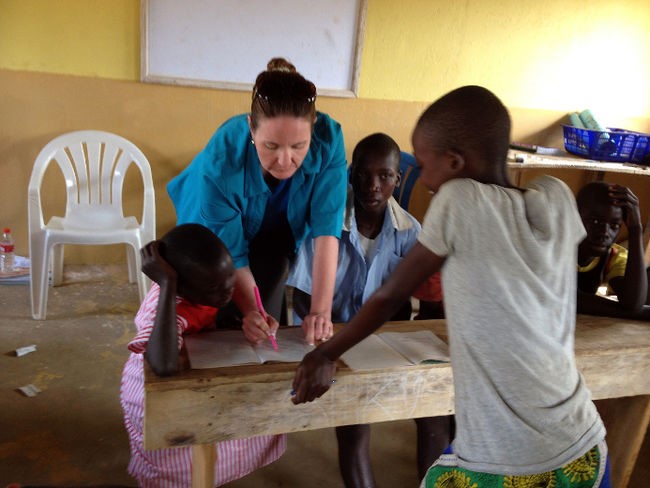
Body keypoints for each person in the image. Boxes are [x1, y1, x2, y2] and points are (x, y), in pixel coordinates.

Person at [291, 86, 611, 487]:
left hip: (507, 461)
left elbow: (390, 296)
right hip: (584, 446)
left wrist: (325, 354)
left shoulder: (459, 199)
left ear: (455, 162)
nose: (422, 180)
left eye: (424, 165)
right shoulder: (557, 194)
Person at [287, 133, 451, 487]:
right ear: (351, 175)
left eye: (385, 175)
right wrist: (323, 331)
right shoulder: (326, 226)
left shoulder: (410, 231)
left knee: (434, 414)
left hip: (382, 339)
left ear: (398, 179)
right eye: (363, 175)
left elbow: (414, 299)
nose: (373, 185)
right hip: (329, 339)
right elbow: (301, 296)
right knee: (355, 418)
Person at [167, 57, 348, 346]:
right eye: (271, 146)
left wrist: (320, 312)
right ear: (252, 128)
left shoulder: (329, 140)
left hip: (276, 228)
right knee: (217, 306)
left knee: (270, 287)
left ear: (313, 128)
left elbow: (327, 230)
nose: (285, 160)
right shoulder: (223, 158)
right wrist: (251, 311)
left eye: (299, 146)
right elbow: (232, 252)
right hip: (217, 238)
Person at [120, 224, 286, 487]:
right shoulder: (164, 304)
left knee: (243, 425)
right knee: (175, 464)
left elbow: (212, 303)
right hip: (151, 391)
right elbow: (163, 365)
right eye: (215, 287)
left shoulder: (206, 285)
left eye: (230, 276)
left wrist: (250, 317)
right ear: (181, 287)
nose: (228, 289)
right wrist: (166, 284)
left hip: (191, 371)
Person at [576, 181, 650, 319]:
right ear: (574, 216)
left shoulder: (614, 256)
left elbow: (633, 303)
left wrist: (635, 229)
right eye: (594, 221)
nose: (605, 233)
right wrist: (638, 313)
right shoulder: (556, 248)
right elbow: (571, 299)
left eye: (614, 225)